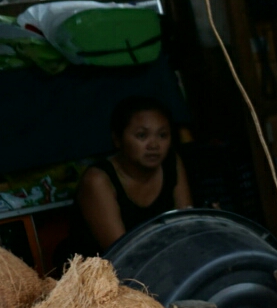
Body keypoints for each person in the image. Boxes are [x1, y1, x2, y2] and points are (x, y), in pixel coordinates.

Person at [72, 95, 192, 253]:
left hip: (162, 261)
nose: (154, 145)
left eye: (162, 135)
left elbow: (190, 227)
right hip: (105, 272)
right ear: (117, 139)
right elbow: (123, 254)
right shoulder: (98, 180)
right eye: (142, 136)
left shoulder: (172, 162)